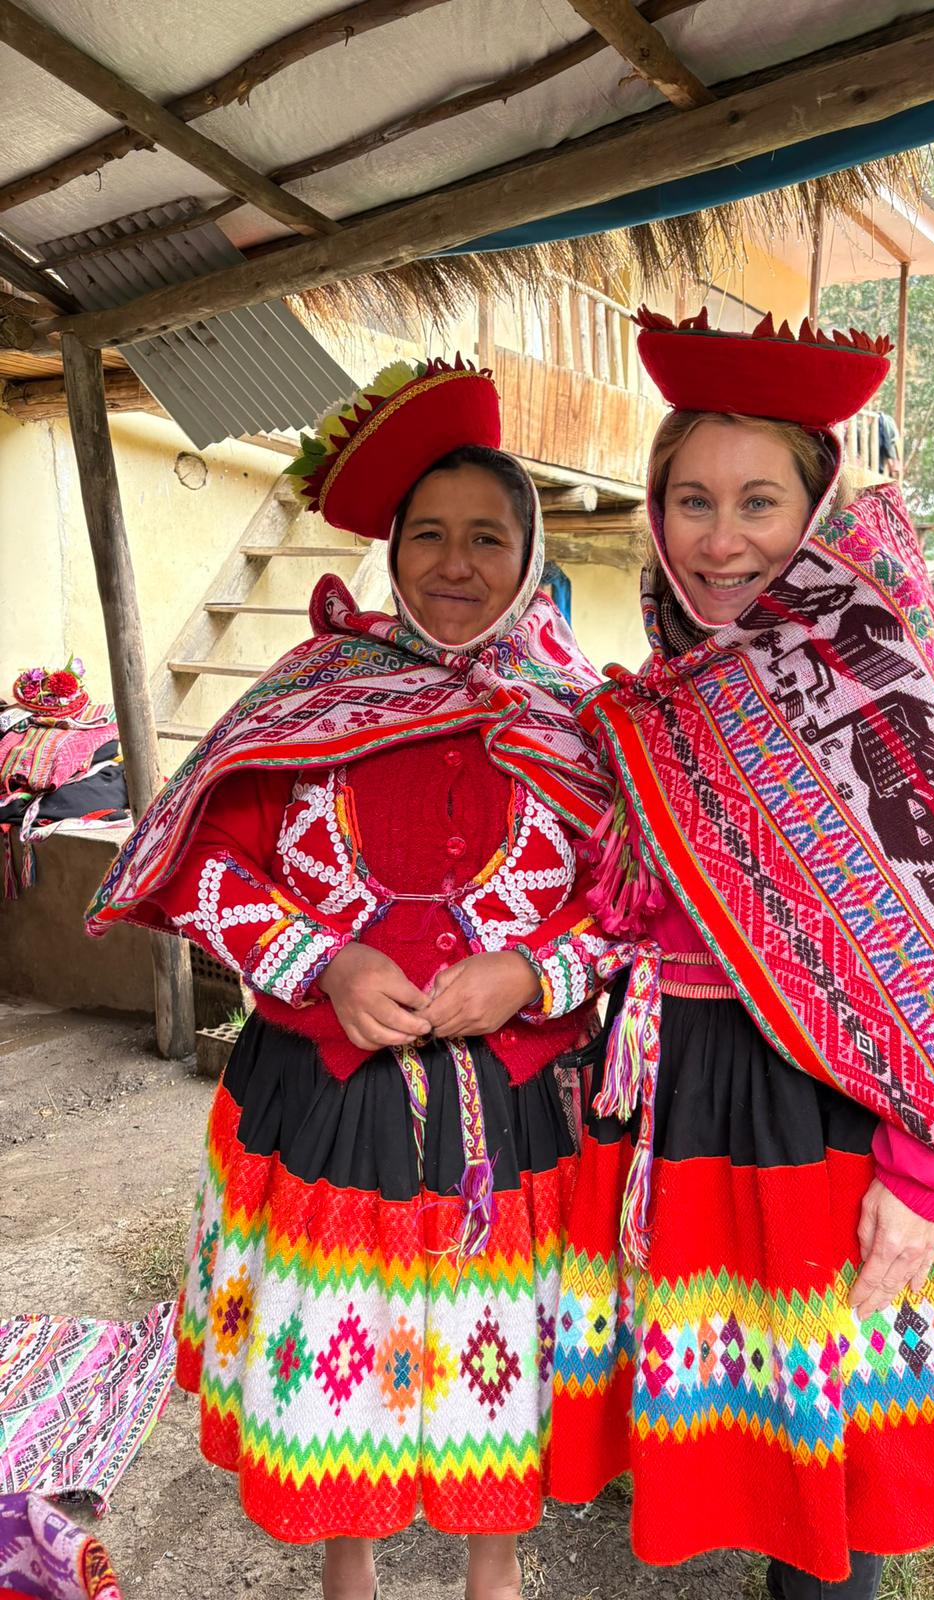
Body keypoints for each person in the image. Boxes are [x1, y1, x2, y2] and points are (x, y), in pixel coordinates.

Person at [549, 308, 934, 1598]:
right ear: (654, 514)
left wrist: (932, 1162)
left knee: (832, 1470)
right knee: (737, 1439)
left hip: (840, 1119)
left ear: (817, 509)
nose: (721, 538)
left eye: (758, 501)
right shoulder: (656, 693)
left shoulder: (883, 675)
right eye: (690, 500)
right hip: (690, 1110)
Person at [87, 356, 615, 1600]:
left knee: (507, 1354)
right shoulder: (310, 695)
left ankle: (497, 1575)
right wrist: (324, 959)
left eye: (488, 535)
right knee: (344, 1355)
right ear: (391, 546)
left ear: (530, 555)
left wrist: (535, 973)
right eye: (426, 532)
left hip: (516, 1107)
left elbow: (632, 905)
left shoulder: (585, 720)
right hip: (329, 1094)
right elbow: (200, 859)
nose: (454, 561)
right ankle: (352, 1575)